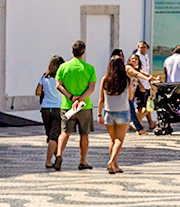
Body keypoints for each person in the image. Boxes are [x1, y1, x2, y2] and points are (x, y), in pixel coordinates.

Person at [54, 41, 98, 171]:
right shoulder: (89, 68)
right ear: (83, 52)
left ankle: (59, 155)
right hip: (84, 106)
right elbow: (91, 88)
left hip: (67, 106)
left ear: (72, 52)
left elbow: (58, 85)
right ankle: (82, 161)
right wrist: (80, 99)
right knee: (84, 135)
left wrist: (72, 98)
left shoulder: (63, 67)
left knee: (64, 133)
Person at [98, 52, 133, 174]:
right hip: (122, 112)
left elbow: (101, 99)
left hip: (108, 112)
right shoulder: (126, 80)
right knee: (119, 140)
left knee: (112, 140)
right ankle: (112, 161)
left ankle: (115, 165)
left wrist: (99, 115)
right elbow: (131, 97)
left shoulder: (105, 80)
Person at [35, 55, 65, 170]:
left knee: (50, 136)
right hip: (58, 108)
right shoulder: (62, 78)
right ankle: (50, 160)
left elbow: (37, 92)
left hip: (46, 109)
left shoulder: (44, 77)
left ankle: (58, 157)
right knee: (54, 137)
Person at [127, 43, 153, 132]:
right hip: (136, 88)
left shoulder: (145, 58)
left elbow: (143, 72)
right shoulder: (129, 67)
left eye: (144, 47)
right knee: (137, 108)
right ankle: (137, 125)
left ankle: (141, 124)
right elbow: (137, 74)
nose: (142, 49)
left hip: (144, 85)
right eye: (140, 47)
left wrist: (152, 79)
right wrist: (143, 84)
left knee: (147, 106)